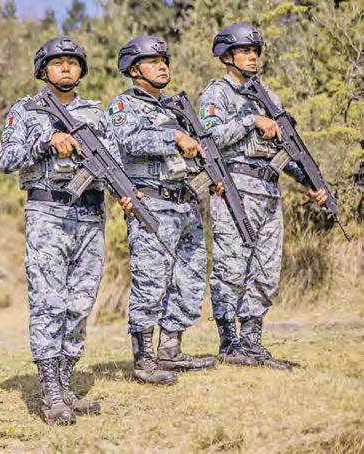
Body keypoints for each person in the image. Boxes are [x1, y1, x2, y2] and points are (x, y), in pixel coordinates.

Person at [0, 37, 116, 425]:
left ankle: (66, 386)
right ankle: (50, 391)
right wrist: (46, 141)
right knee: (49, 301)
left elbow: (114, 161)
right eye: (57, 62)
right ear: (43, 69)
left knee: (80, 303)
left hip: (91, 214)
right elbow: (6, 159)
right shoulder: (26, 110)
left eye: (72, 62)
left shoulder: (96, 113)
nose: (66, 67)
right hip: (48, 212)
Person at [200, 23, 326, 369]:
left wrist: (309, 181)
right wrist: (252, 121)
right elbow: (209, 138)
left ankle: (252, 341)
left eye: (255, 51)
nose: (253, 57)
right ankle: (229, 343)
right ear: (227, 56)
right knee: (231, 267)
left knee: (266, 269)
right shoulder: (217, 93)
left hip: (269, 191)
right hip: (235, 190)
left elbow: (284, 149)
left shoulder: (269, 96)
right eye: (245, 51)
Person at [105, 36, 217, 386]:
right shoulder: (123, 106)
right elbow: (128, 141)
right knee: (151, 280)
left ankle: (170, 350)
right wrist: (175, 138)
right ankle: (144, 359)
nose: (162, 66)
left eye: (164, 60)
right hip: (151, 204)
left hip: (185, 202)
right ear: (133, 70)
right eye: (153, 61)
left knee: (189, 277)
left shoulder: (174, 109)